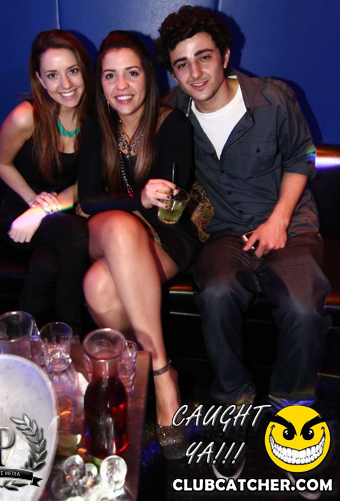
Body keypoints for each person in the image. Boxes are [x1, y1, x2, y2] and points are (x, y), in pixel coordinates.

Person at [155, 6, 331, 477]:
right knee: (214, 291)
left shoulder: (272, 97)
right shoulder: (171, 111)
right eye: (181, 63)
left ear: (225, 55)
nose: (195, 72)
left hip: (288, 225)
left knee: (302, 304)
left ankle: (293, 411)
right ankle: (233, 403)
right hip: (223, 233)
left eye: (204, 57)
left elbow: (303, 157)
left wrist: (278, 220)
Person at [78, 30, 201, 459]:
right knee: (118, 226)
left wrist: (152, 201)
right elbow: (89, 199)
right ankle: (165, 376)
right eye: (110, 75)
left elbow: (173, 206)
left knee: (98, 286)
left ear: (148, 75)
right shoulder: (96, 126)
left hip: (166, 236)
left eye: (132, 73)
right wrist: (136, 201)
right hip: (109, 231)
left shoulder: (172, 124)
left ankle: (134, 368)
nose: (122, 86)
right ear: (100, 82)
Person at [0, 29, 93, 336]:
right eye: (52, 75)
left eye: (72, 71)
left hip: (58, 212)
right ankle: (72, 334)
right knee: (74, 233)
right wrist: (32, 204)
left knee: (47, 263)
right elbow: (0, 162)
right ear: (40, 79)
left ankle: (22, 342)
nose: (66, 84)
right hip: (19, 216)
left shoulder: (96, 118)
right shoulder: (26, 117)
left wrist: (46, 210)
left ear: (84, 70)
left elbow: (87, 181)